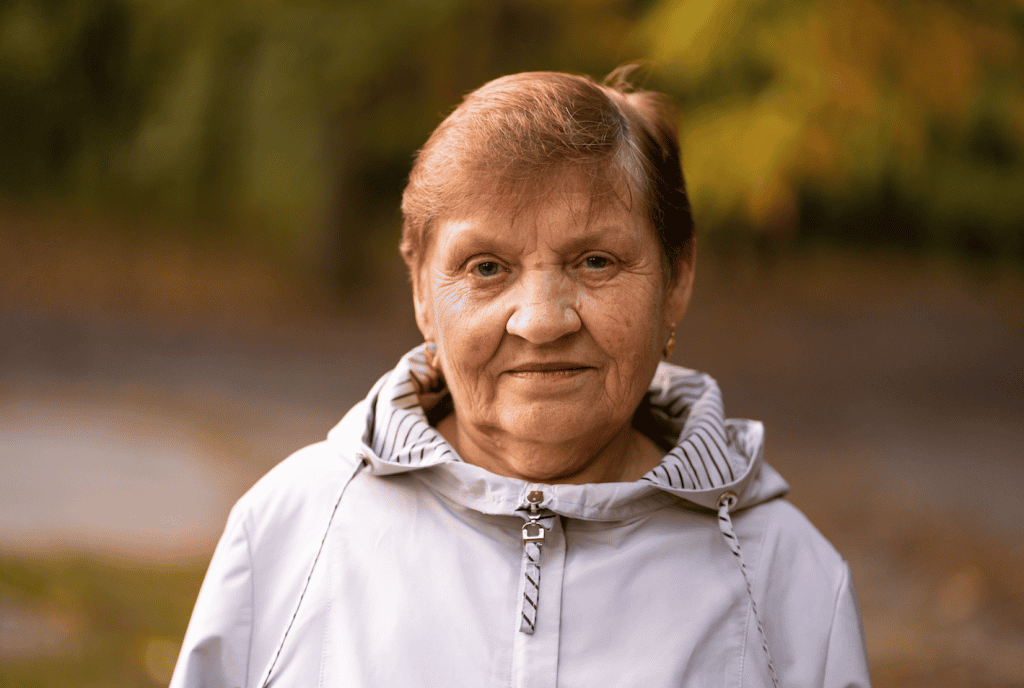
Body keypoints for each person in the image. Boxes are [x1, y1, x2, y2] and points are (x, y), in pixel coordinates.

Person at [170, 69, 871, 687]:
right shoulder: (289, 532)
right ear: (422, 292)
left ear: (677, 276)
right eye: (486, 268)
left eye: (595, 261)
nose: (541, 320)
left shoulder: (789, 577)